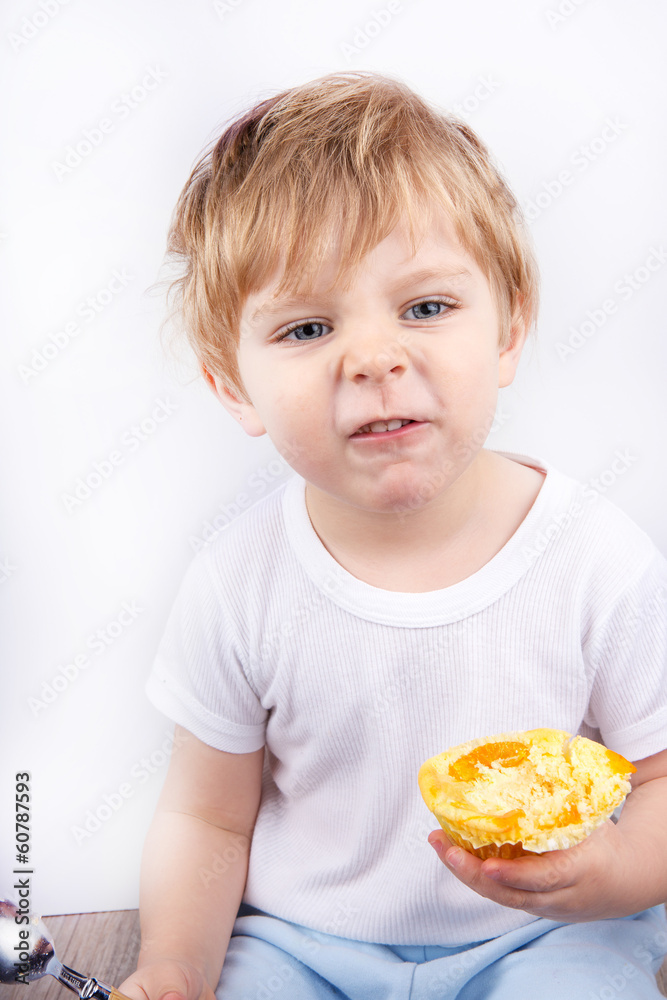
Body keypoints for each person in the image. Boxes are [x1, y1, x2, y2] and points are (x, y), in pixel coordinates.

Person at [120, 71, 667, 1000]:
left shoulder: (596, 561)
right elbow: (208, 821)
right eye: (306, 326)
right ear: (230, 386)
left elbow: (656, 781)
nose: (374, 358)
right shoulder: (237, 581)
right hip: (302, 942)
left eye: (425, 307)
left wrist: (613, 877)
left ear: (509, 329)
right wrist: (173, 967)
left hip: (541, 938)